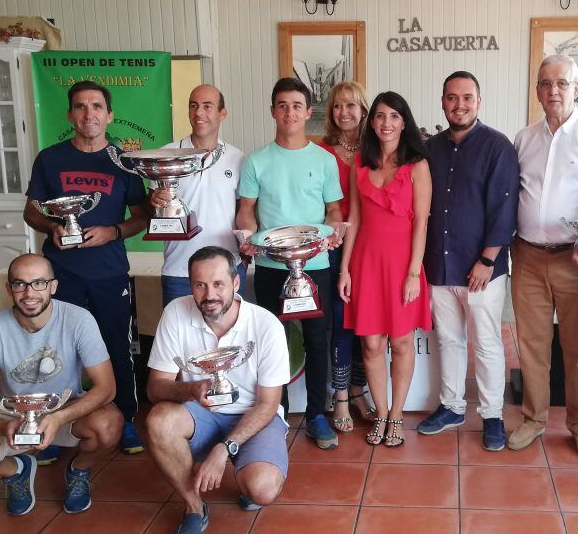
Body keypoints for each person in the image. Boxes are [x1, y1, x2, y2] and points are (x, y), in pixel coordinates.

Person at [0, 254, 122, 516]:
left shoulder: (79, 319)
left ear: (53, 286)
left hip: (65, 409)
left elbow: (107, 388)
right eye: (19, 284)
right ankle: (16, 470)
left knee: (109, 425)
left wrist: (58, 418)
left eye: (38, 283)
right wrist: (3, 426)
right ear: (9, 288)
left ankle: (79, 470)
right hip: (13, 415)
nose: (29, 293)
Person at [23, 80, 149, 458]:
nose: (88, 113)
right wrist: (52, 227)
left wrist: (113, 231)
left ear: (109, 115)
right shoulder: (50, 159)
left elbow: (142, 217)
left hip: (109, 272)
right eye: (80, 106)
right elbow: (31, 211)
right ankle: (50, 425)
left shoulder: (124, 162)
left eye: (96, 106)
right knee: (56, 350)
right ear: (70, 115)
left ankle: (125, 419)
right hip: (61, 272)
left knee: (116, 347)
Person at [509, 54, 578, 456]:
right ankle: (534, 419)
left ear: (575, 89)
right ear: (537, 91)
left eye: (561, 83)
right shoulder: (524, 138)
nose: (553, 90)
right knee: (532, 346)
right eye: (545, 83)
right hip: (527, 257)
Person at [145, 246, 289, 534]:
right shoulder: (175, 313)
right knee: (159, 421)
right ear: (190, 286)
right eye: (200, 285)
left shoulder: (266, 325)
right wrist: (191, 390)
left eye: (218, 284)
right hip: (201, 413)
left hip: (254, 414)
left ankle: (245, 469)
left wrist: (223, 450)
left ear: (236, 283)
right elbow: (155, 388)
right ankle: (194, 505)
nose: (209, 294)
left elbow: (268, 404)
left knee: (262, 489)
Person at [236, 77, 343, 450]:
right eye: (282, 105)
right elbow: (246, 211)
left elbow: (334, 210)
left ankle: (316, 415)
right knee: (273, 341)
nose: (289, 113)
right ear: (272, 111)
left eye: (297, 106)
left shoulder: (324, 160)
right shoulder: (256, 161)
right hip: (271, 267)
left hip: (315, 266)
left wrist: (332, 233)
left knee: (316, 340)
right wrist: (248, 237)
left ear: (308, 112)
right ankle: (275, 415)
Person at [417, 71, 519, 452]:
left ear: (479, 101)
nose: (459, 105)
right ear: (443, 102)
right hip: (440, 266)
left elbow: (505, 208)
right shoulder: (431, 148)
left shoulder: (497, 147)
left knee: (487, 343)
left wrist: (488, 260)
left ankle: (492, 415)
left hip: (481, 270)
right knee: (448, 340)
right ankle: (452, 406)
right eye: (452, 98)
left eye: (467, 98)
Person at [338, 91, 433, 447]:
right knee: (371, 345)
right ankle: (380, 412)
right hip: (366, 263)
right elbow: (354, 219)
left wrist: (413, 273)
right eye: (380, 116)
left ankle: (397, 414)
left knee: (403, 342)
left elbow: (421, 223)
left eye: (394, 116)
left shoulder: (417, 165)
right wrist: (345, 270)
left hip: (403, 265)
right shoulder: (359, 164)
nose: (386, 123)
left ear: (404, 122)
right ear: (372, 121)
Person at [151, 84, 247, 304]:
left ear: (223, 113)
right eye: (193, 106)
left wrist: (244, 253)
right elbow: (151, 213)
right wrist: (154, 202)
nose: (199, 113)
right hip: (179, 271)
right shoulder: (165, 155)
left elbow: (244, 212)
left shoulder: (238, 158)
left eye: (207, 106)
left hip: (227, 271)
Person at [318, 81, 378, 433]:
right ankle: (340, 396)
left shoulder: (377, 149)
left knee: (366, 323)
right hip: (334, 246)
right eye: (338, 106)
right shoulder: (319, 151)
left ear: (363, 110)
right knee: (342, 320)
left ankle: (358, 390)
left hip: (370, 246)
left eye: (351, 105)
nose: (344, 112)